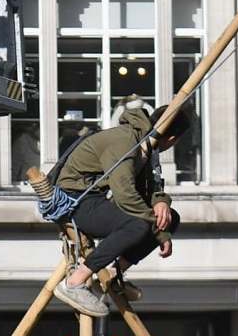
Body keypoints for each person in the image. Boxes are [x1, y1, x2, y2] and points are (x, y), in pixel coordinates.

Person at [52, 99, 185, 317]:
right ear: (172, 138)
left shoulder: (145, 143)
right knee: (138, 225)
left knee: (170, 218)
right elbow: (125, 194)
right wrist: (159, 231)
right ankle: (74, 282)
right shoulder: (126, 140)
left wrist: (161, 202)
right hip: (74, 200)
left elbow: (147, 188)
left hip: (95, 198)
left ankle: (113, 274)